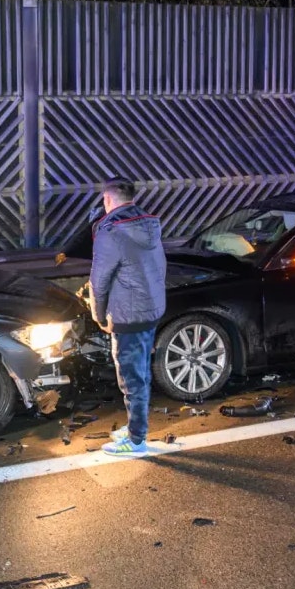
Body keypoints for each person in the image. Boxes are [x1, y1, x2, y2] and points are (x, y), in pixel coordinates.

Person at [88, 179, 167, 456]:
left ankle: (136, 441)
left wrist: (98, 315)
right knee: (140, 372)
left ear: (107, 200)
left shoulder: (111, 232)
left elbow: (99, 282)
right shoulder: (149, 225)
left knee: (131, 378)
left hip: (127, 315)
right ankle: (136, 426)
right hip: (150, 310)